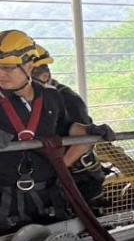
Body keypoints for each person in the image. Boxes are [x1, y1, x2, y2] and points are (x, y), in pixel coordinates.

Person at [0, 31, 112, 235]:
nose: (1, 74)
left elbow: (65, 127)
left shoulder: (51, 97)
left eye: (7, 67)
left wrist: (88, 131)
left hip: (49, 198)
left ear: (29, 64)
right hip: (5, 202)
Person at [31, 45, 108, 214]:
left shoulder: (67, 99)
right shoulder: (31, 101)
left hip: (79, 178)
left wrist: (57, 172)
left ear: (44, 75)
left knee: (83, 228)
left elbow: (84, 141)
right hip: (50, 179)